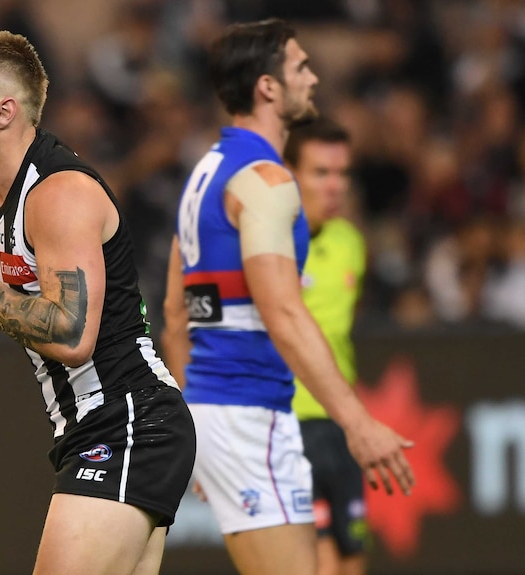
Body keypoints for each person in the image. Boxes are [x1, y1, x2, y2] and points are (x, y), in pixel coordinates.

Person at [0, 30, 196, 575]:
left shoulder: (59, 194)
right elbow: (24, 301)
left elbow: (71, 337)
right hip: (96, 427)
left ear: (4, 112)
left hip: (128, 422)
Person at [160, 19, 414, 575]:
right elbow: (282, 310)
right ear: (268, 87)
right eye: (300, 66)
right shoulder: (266, 182)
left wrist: (195, 423)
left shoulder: (204, 174)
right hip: (250, 414)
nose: (313, 77)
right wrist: (358, 423)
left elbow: (176, 315)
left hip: (220, 409)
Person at [284, 118, 370, 575]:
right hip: (290, 420)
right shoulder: (270, 246)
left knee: (352, 554)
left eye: (342, 173)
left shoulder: (351, 244)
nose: (335, 185)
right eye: (321, 172)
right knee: (318, 560)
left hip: (341, 421)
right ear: (290, 172)